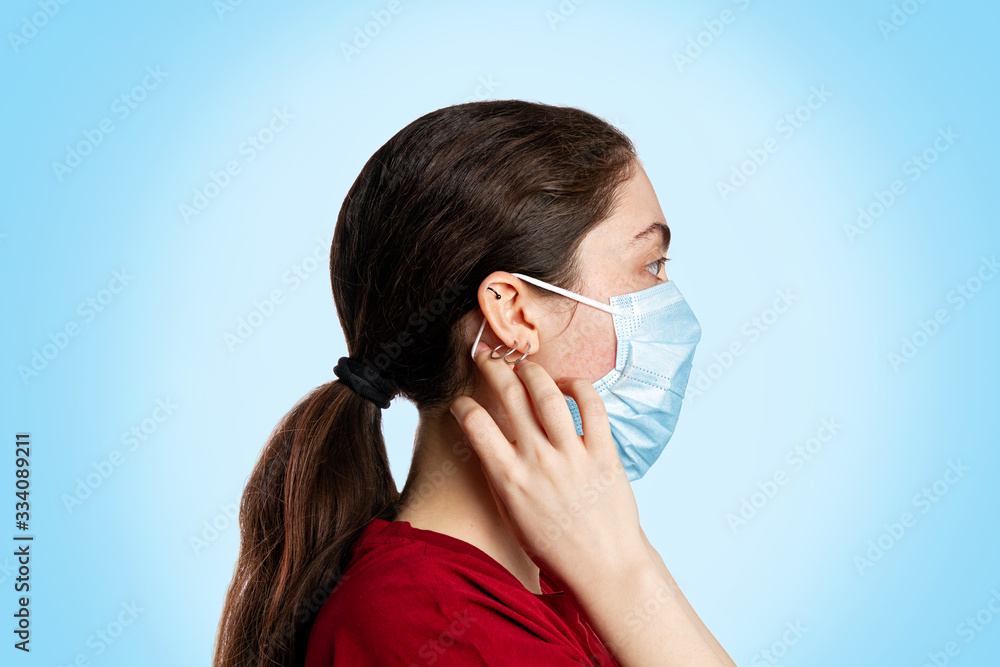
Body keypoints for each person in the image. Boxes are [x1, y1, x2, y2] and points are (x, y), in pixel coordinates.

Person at [212, 100, 737, 666]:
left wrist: (621, 567)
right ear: (511, 312)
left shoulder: (560, 580)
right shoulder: (422, 621)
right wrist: (626, 573)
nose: (670, 300)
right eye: (651, 265)